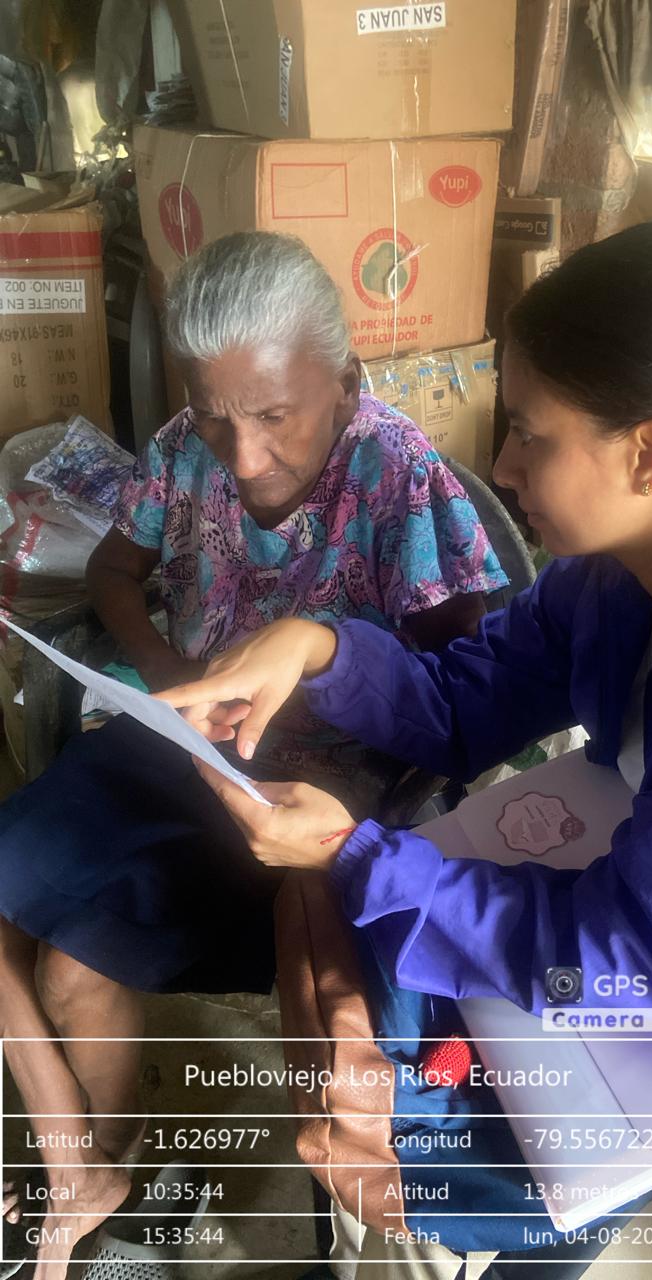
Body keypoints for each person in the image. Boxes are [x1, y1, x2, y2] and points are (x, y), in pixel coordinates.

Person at [160, 220, 652, 1268]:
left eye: (532, 436)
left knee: (539, 1181)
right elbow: (467, 701)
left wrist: (355, 851)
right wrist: (318, 645)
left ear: (650, 453)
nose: (500, 464)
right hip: (626, 925)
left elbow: (626, 968)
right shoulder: (607, 581)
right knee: (360, 1027)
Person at [0, 231, 506, 1279]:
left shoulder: (398, 475)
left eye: (274, 416)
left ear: (345, 380)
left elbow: (468, 689)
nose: (240, 456)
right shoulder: (183, 446)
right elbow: (113, 572)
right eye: (215, 415)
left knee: (74, 968)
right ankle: (78, 1157)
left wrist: (364, 796)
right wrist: (166, 669)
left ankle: (94, 1165)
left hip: (311, 793)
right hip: (183, 741)